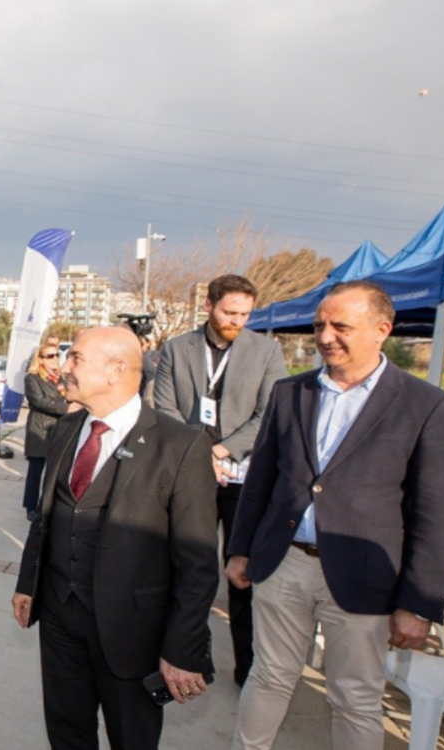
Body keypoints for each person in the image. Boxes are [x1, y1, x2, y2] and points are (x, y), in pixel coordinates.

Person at [227, 281, 444, 750]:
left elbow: (436, 513)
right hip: (282, 563)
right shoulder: (289, 392)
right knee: (269, 676)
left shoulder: (428, 405)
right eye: (319, 325)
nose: (325, 336)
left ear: (382, 330)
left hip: (364, 577)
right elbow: (261, 482)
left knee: (355, 696)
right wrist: (240, 549)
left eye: (340, 326)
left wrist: (418, 603)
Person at [12, 326, 217, 750]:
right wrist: (26, 585)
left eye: (76, 359)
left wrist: (182, 648)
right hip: (59, 618)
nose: (64, 368)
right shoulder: (66, 430)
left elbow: (196, 562)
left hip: (132, 632)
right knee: (67, 732)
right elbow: (47, 517)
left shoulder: (181, 446)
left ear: (116, 370)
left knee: (132, 739)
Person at [152, 274, 288, 686]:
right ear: (209, 306)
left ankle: (246, 666)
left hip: (242, 477)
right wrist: (197, 455)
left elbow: (270, 412)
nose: (238, 320)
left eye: (245, 314)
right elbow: (164, 408)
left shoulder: (267, 350)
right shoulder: (177, 348)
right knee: (182, 565)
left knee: (240, 571)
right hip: (188, 474)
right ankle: (175, 649)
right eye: (230, 312)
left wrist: (222, 450)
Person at [21, 343, 69, 522]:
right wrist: (67, 409)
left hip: (59, 429)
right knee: (36, 471)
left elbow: (70, 395)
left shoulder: (60, 378)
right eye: (49, 356)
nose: (55, 358)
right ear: (40, 360)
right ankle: (31, 507)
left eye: (56, 355)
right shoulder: (32, 379)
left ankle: (49, 506)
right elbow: (39, 402)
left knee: (55, 472)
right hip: (40, 429)